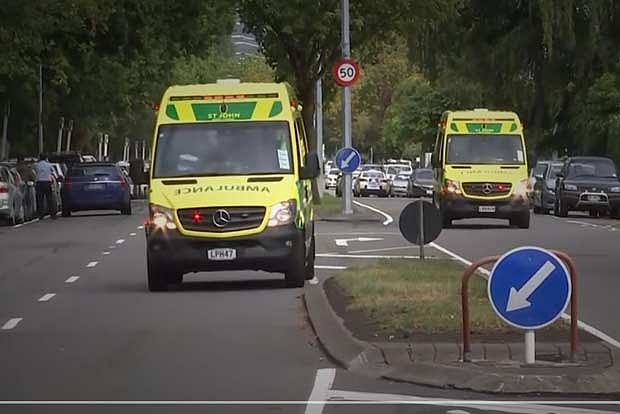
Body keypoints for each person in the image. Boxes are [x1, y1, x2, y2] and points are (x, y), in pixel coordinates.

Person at [33, 153, 57, 219]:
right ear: (46, 158)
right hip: (47, 182)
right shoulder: (49, 165)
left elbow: (34, 170)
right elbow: (53, 172)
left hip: (39, 183)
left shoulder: (36, 165)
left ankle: (41, 214)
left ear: (39, 158)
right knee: (50, 199)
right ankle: (52, 214)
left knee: (40, 199)